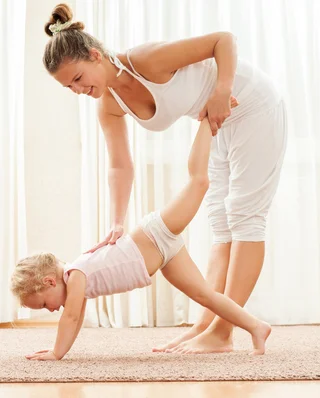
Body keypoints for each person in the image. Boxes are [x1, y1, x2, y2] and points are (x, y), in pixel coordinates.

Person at [41, 3, 287, 354]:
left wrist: (221, 91)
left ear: (95, 55)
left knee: (245, 216)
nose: (78, 89)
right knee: (221, 222)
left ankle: (223, 331)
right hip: (217, 121)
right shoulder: (108, 105)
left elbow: (223, 40)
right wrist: (117, 223)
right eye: (70, 87)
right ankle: (206, 326)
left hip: (251, 105)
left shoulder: (144, 60)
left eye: (78, 78)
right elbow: (119, 165)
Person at [10, 115, 272, 361]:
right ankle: (256, 326)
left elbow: (70, 317)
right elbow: (75, 319)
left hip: (155, 233)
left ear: (49, 281)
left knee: (198, 182)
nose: (52, 311)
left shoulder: (76, 274)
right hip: (162, 254)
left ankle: (207, 120)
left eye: (45, 304)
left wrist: (56, 353)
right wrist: (60, 350)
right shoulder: (76, 280)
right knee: (205, 295)